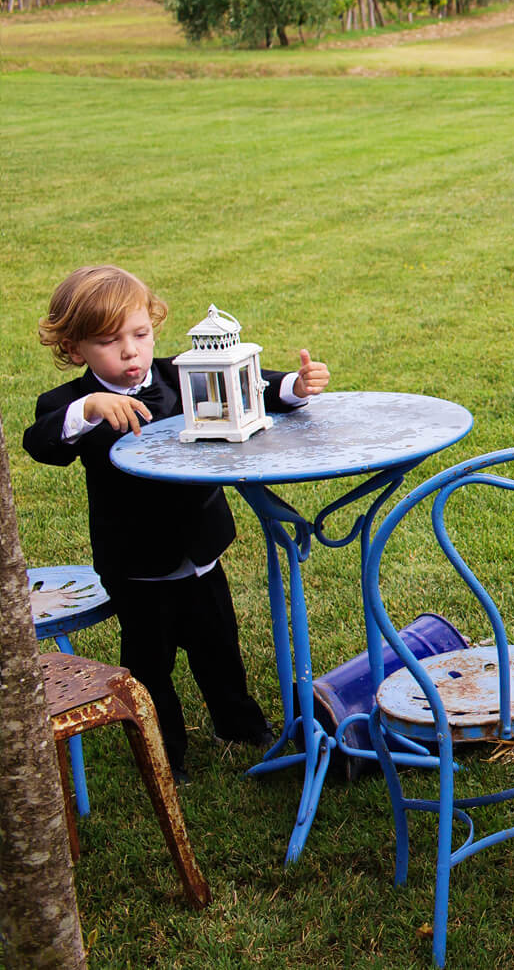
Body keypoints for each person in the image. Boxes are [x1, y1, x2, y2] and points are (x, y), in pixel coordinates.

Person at [24, 265, 330, 780]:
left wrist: (297, 386)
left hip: (202, 550)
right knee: (151, 665)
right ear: (74, 349)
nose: (130, 351)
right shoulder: (71, 405)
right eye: (108, 341)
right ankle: (165, 750)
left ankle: (240, 723)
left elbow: (252, 386)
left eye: (140, 334)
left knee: (219, 646)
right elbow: (42, 442)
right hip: (137, 565)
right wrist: (90, 409)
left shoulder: (178, 376)